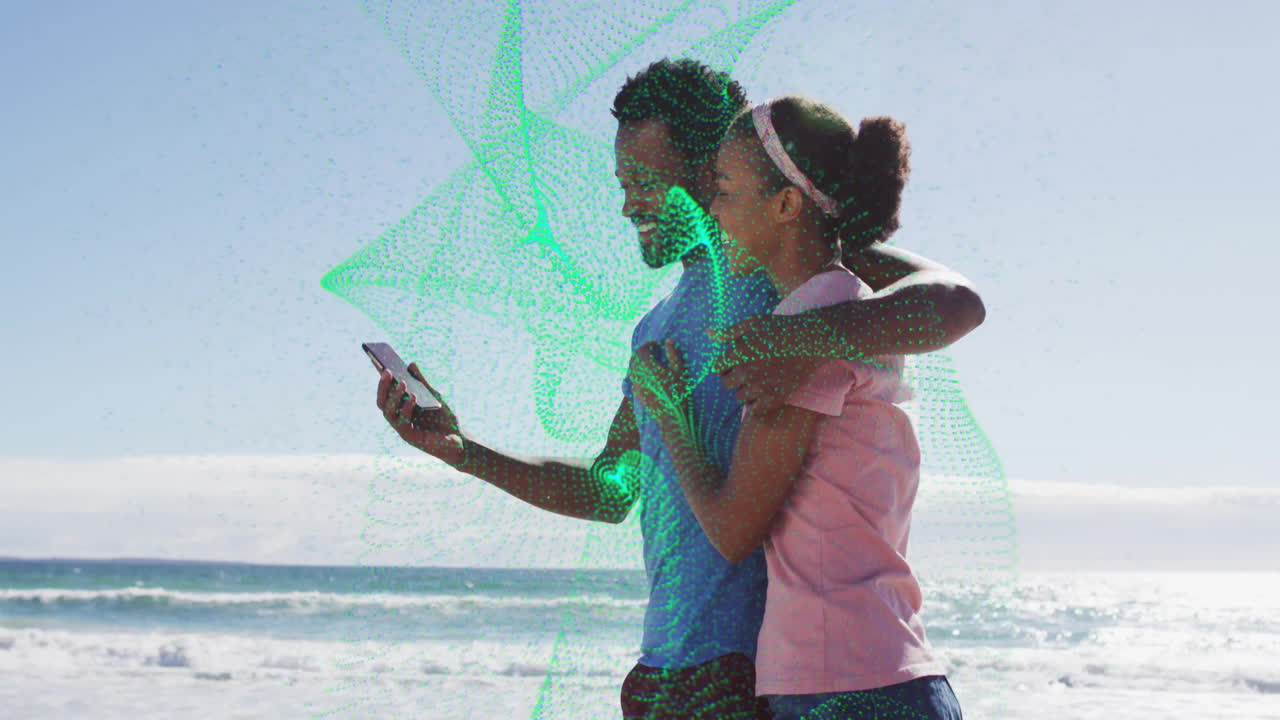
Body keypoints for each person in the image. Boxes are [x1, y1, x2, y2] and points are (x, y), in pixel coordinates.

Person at [375, 59, 982, 719]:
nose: (628, 204)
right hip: (660, 673)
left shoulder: (786, 275)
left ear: (709, 169)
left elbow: (953, 301)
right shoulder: (653, 332)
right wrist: (464, 450)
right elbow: (612, 491)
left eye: (643, 182)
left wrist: (801, 337)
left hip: (751, 677)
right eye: (622, 183)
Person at [627, 95, 963, 720]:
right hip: (879, 674)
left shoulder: (805, 327)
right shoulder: (846, 310)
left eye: (723, 191)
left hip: (844, 690)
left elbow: (732, 530)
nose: (713, 211)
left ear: (786, 205)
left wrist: (671, 415)